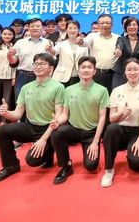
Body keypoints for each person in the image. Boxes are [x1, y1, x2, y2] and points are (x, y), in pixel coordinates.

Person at [0, 53, 65, 182]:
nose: (38, 66)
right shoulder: (26, 88)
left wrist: (43, 139)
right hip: (31, 127)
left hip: (50, 129)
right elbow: (18, 114)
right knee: (1, 131)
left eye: (42, 64)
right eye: (36, 64)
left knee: (32, 160)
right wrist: (6, 113)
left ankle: (49, 151)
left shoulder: (58, 87)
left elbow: (58, 117)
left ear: (50, 68)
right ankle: (11, 165)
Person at [50, 56, 109, 185]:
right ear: (79, 70)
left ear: (94, 71)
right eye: (83, 67)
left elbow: (102, 117)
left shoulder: (102, 90)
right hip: (74, 130)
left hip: (91, 133)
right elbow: (65, 114)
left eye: (89, 67)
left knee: (91, 166)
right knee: (56, 132)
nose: (86, 70)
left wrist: (95, 142)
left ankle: (90, 150)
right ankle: (66, 165)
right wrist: (58, 121)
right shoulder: (69, 90)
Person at [101, 58, 139, 187]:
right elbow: (112, 118)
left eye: (135, 69)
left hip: (138, 132)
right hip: (120, 131)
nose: (132, 72)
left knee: (136, 162)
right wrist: (121, 113)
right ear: (125, 71)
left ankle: (134, 153)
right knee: (111, 128)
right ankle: (108, 170)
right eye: (129, 69)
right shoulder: (117, 91)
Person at [7, 18, 53, 100]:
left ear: (43, 28)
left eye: (38, 26)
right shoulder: (20, 43)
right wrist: (10, 56)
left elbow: (51, 62)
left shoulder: (48, 43)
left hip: (41, 76)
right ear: (28, 27)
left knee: (39, 101)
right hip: (22, 76)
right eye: (32, 26)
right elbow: (14, 62)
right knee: (20, 101)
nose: (35, 28)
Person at [80, 14, 120, 93]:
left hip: (113, 74)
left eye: (107, 23)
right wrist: (81, 41)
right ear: (98, 25)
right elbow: (85, 42)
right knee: (95, 95)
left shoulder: (118, 37)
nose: (105, 25)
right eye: (102, 23)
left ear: (112, 25)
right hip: (97, 73)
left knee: (111, 96)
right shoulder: (92, 36)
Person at [49, 20, 89, 87]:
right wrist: (49, 49)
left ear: (79, 30)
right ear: (66, 30)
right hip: (62, 77)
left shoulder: (83, 45)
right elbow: (54, 52)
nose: (72, 30)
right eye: (70, 28)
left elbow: (86, 61)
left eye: (75, 28)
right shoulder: (61, 44)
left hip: (78, 77)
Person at [112, 16, 139, 89]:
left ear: (138, 27)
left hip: (135, 73)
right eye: (129, 25)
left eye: (134, 25)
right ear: (125, 27)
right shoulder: (121, 39)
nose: (132, 27)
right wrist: (118, 51)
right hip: (121, 72)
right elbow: (119, 46)